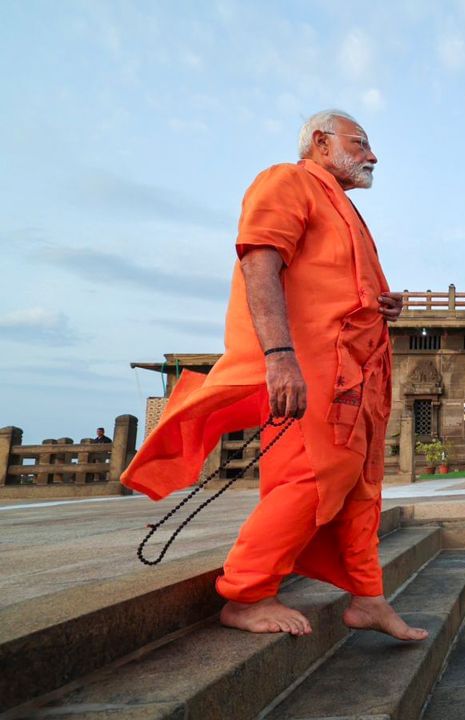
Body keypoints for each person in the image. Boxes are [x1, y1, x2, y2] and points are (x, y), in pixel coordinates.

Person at [122, 110, 426, 642]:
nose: (373, 155)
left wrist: (380, 304)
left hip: (356, 377)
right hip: (308, 368)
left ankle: (368, 597)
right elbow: (259, 262)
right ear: (321, 142)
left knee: (360, 486)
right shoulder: (287, 181)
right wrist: (279, 355)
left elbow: (335, 286)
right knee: (309, 479)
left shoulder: (344, 208)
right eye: (361, 143)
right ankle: (246, 593)